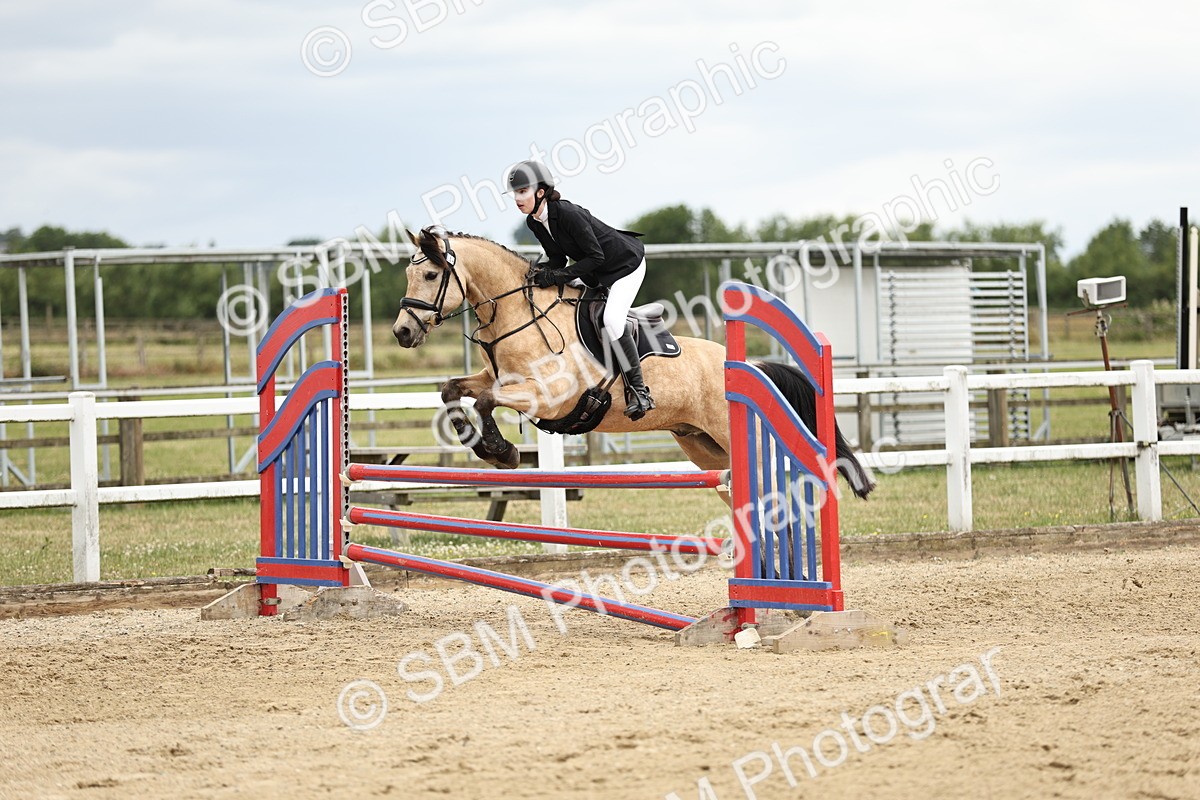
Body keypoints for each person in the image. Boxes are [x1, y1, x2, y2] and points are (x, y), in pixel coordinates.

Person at [508, 160, 655, 420]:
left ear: (540, 192)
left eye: (522, 192)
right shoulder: (534, 222)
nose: (517, 198)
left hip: (625, 265)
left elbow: (595, 257)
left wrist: (557, 276)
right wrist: (536, 273)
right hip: (595, 270)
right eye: (515, 193)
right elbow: (558, 260)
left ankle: (639, 392)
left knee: (611, 319)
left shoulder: (566, 213)